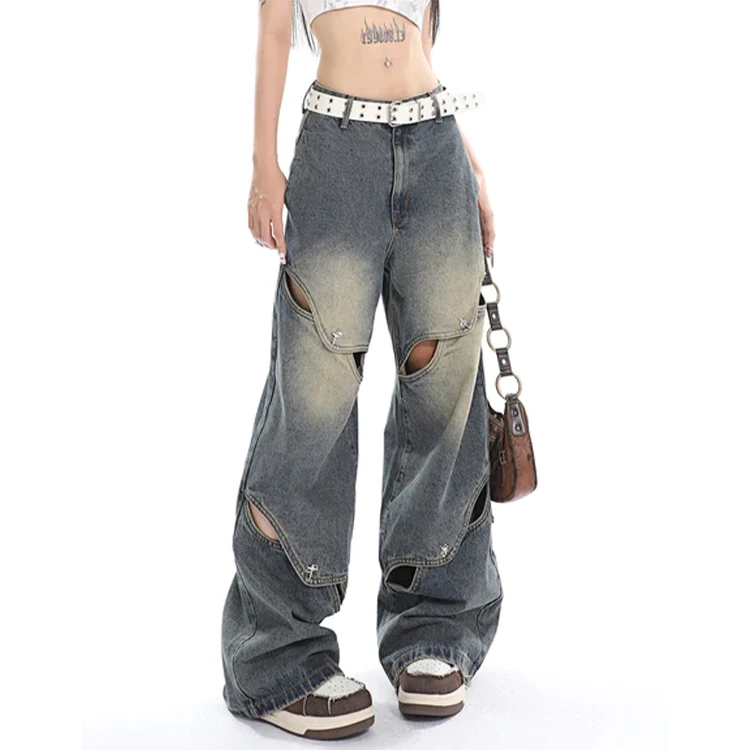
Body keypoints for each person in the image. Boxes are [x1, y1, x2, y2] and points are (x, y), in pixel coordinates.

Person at [221, 0, 503, 739]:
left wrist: (467, 161)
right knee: (313, 401)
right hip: (337, 152)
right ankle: (276, 656)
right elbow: (274, 25)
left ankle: (435, 630)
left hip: (435, 144)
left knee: (444, 390)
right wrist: (262, 164)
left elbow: (420, 47)